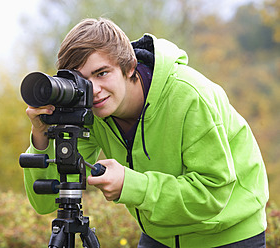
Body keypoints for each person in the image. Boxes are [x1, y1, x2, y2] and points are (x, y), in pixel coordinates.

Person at [23, 17, 269, 247]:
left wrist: (131, 185)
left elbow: (213, 195)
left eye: (102, 73)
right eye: (83, 79)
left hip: (228, 234)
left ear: (129, 67)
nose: (94, 89)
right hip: (159, 235)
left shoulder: (190, 96)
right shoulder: (92, 109)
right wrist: (41, 137)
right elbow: (46, 202)